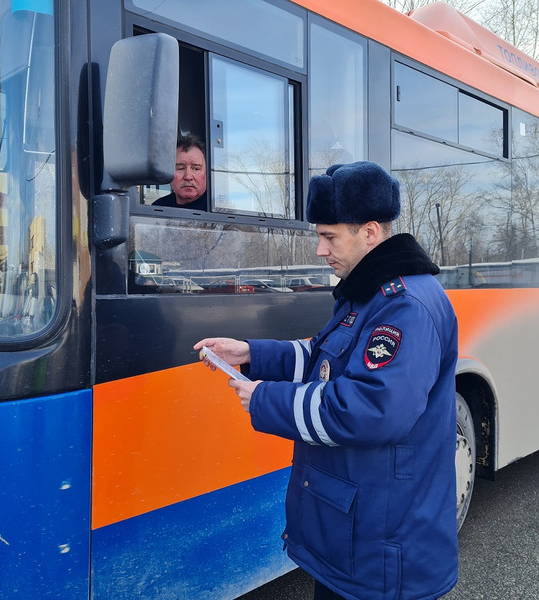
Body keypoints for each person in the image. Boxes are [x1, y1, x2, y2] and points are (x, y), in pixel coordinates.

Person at [194, 161, 459, 600]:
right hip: (356, 535)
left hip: (381, 549)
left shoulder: (404, 306)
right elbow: (322, 358)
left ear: (370, 232)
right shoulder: (368, 291)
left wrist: (263, 399)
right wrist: (249, 353)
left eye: (329, 237)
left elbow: (371, 411)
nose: (320, 250)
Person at [152, 133, 208, 211]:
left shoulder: (219, 210)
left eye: (196, 169)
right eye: (180, 168)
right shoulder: (159, 208)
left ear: (207, 173)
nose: (188, 177)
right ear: (169, 174)